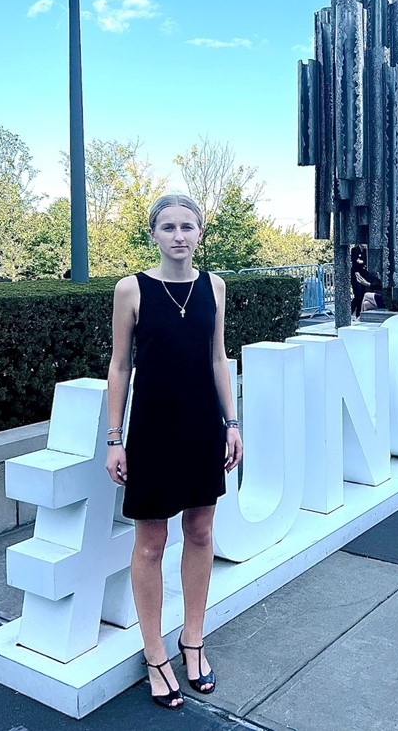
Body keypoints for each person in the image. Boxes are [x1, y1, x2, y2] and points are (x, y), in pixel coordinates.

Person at [105, 194, 243, 712]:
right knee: (150, 540)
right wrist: (114, 438)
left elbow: (217, 357)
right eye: (168, 227)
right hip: (153, 431)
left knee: (202, 529)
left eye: (188, 226)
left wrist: (232, 424)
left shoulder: (214, 286)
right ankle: (155, 653)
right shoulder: (131, 290)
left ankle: (193, 639)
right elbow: (120, 367)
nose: (179, 235)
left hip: (202, 426)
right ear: (154, 234)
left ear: (200, 233)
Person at [350, 244, 368, 318]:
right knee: (357, 295)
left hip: (364, 275)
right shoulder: (354, 250)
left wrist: (362, 262)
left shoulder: (366, 250)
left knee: (363, 294)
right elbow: (355, 261)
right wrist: (360, 262)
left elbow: (364, 261)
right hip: (356, 275)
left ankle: (358, 313)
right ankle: (351, 309)